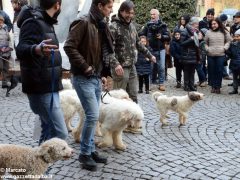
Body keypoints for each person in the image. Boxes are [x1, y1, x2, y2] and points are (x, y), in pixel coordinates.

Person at [64, 0, 114, 171]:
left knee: (93, 116)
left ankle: (91, 150)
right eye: (109, 7)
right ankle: (84, 154)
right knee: (92, 116)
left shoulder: (101, 25)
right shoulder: (83, 22)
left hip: (95, 77)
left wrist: (103, 74)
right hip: (82, 76)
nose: (111, 10)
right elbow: (69, 47)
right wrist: (85, 66)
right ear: (100, 6)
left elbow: (101, 53)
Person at [16, 0, 68, 144]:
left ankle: (41, 163)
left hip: (50, 85)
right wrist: (36, 49)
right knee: (60, 133)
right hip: (41, 87)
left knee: (48, 129)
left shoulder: (47, 22)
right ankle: (42, 162)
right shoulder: (33, 22)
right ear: (57, 5)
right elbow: (20, 49)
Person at [109, 1, 156, 103]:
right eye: (127, 13)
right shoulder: (113, 27)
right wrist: (115, 64)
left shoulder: (132, 26)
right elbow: (109, 49)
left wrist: (150, 55)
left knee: (133, 95)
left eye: (132, 13)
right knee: (119, 97)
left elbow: (138, 43)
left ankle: (132, 118)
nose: (130, 15)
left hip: (132, 66)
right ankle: (117, 118)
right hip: (120, 67)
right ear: (121, 11)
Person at [140, 9, 170, 91]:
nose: (152, 16)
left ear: (158, 15)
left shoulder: (163, 25)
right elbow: (141, 34)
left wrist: (162, 37)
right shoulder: (147, 25)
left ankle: (161, 84)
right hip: (150, 49)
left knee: (161, 67)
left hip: (161, 49)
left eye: (154, 14)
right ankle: (149, 84)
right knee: (150, 67)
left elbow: (168, 37)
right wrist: (144, 39)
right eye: (151, 14)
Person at [204, 17, 232, 94]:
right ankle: (213, 86)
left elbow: (229, 41)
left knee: (219, 71)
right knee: (212, 71)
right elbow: (205, 43)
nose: (213, 25)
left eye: (215, 24)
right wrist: (207, 49)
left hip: (220, 55)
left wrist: (225, 48)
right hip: (210, 55)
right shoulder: (208, 32)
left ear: (218, 23)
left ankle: (218, 87)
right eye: (212, 24)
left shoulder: (224, 32)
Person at [181, 17, 202, 91]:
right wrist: (191, 39)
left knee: (192, 71)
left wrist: (199, 38)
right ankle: (186, 86)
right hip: (187, 54)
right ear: (192, 23)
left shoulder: (195, 31)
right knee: (186, 71)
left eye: (198, 24)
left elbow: (197, 43)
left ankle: (191, 85)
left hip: (194, 54)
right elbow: (182, 43)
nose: (197, 25)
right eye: (196, 24)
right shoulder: (184, 31)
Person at [0, 16, 12, 88]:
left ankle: (5, 82)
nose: (0, 23)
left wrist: (9, 48)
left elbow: (9, 39)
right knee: (0, 67)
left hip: (6, 51)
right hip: (0, 51)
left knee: (6, 67)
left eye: (1, 21)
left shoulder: (5, 29)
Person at [227, 29, 240, 94]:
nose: (236, 38)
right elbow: (230, 54)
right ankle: (235, 89)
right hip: (235, 63)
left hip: (238, 63)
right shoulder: (233, 45)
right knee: (235, 77)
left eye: (238, 36)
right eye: (235, 36)